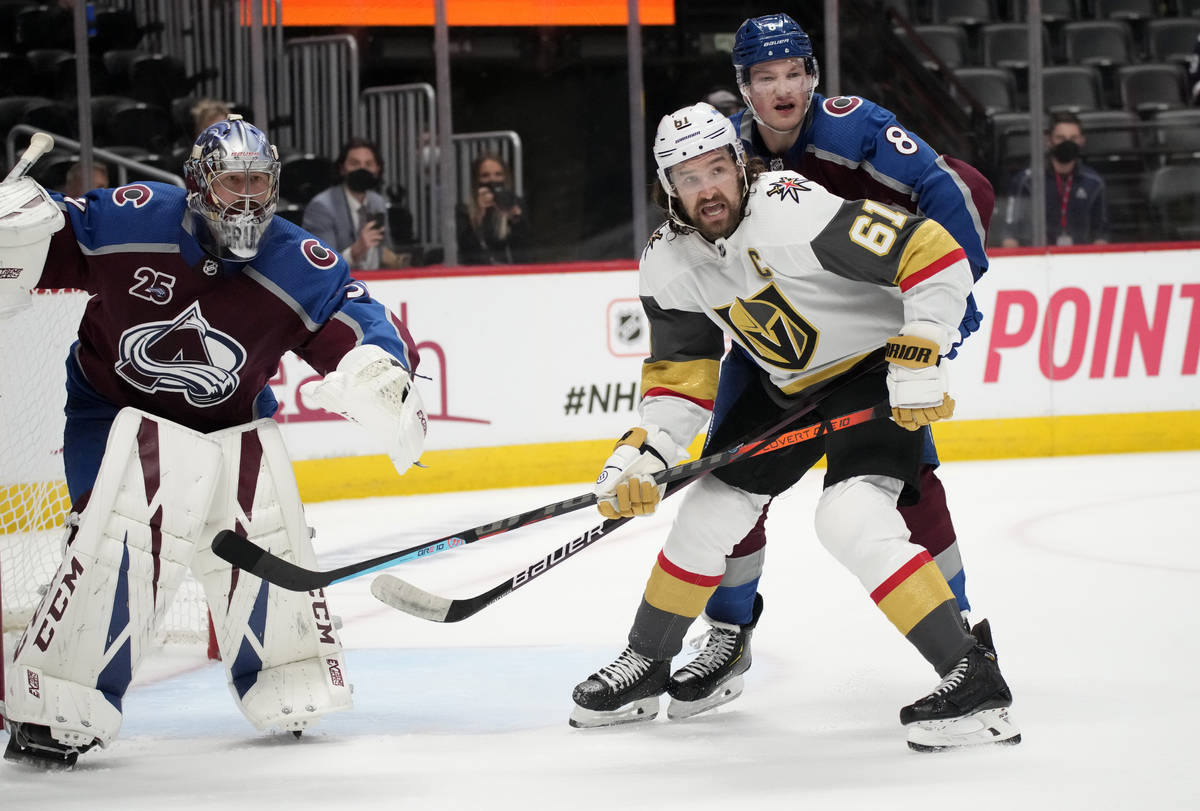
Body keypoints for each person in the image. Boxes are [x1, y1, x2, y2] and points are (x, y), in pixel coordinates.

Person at [569, 103, 1019, 753]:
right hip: (789, 387)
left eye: (718, 168)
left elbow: (931, 252)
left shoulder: (792, 209)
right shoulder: (668, 262)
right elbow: (679, 380)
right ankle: (647, 662)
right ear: (668, 187)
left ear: (739, 165)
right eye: (690, 178)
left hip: (870, 369)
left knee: (850, 514)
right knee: (708, 510)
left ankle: (972, 679)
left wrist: (922, 345)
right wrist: (643, 452)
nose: (709, 188)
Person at [0, 116, 428, 768]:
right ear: (200, 183)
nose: (250, 199)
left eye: (261, 183)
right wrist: (19, 226)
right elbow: (52, 237)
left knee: (263, 535)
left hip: (228, 429)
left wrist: (381, 368)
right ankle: (57, 702)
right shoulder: (132, 218)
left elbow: (359, 315)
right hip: (113, 416)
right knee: (119, 537)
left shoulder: (296, 261)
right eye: (235, 182)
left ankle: (286, 668)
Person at [649, 12, 998, 721]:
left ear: (813, 74)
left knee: (906, 482)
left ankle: (962, 633)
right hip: (777, 341)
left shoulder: (854, 128)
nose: (782, 90)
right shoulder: (723, 150)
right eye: (764, 77)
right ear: (742, 88)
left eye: (793, 73)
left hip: (872, 331)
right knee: (729, 471)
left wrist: (937, 322)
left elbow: (957, 192)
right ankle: (729, 632)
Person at [1000, 112, 1110, 247]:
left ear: (1082, 140)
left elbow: (1101, 234)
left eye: (1073, 138)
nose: (1067, 143)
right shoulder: (1027, 181)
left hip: (1081, 259)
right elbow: (1010, 234)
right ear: (1049, 140)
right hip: (1036, 259)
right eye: (1060, 138)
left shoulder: (1094, 183)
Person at [303, 137, 404, 270]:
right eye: (355, 164)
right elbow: (322, 266)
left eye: (368, 164)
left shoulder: (377, 202)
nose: (362, 169)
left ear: (377, 169)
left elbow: (384, 251)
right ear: (342, 168)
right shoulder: (322, 207)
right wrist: (356, 250)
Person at [456, 152, 529, 264]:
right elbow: (466, 250)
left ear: (505, 177)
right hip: (476, 273)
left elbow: (524, 248)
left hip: (510, 271)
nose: (492, 180)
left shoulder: (516, 203)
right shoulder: (463, 209)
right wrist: (478, 216)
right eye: (485, 175)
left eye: (498, 174)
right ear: (476, 180)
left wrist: (515, 220)